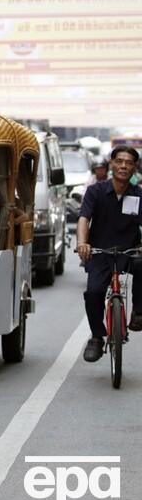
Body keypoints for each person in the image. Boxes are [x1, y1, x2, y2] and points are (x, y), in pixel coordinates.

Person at [76, 146, 142, 362]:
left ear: (134, 168)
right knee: (94, 292)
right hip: (100, 252)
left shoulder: (139, 195)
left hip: (129, 251)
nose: (124, 166)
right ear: (112, 164)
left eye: (129, 163)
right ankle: (97, 336)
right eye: (119, 161)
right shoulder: (95, 191)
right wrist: (82, 243)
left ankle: (138, 312)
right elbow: (84, 218)